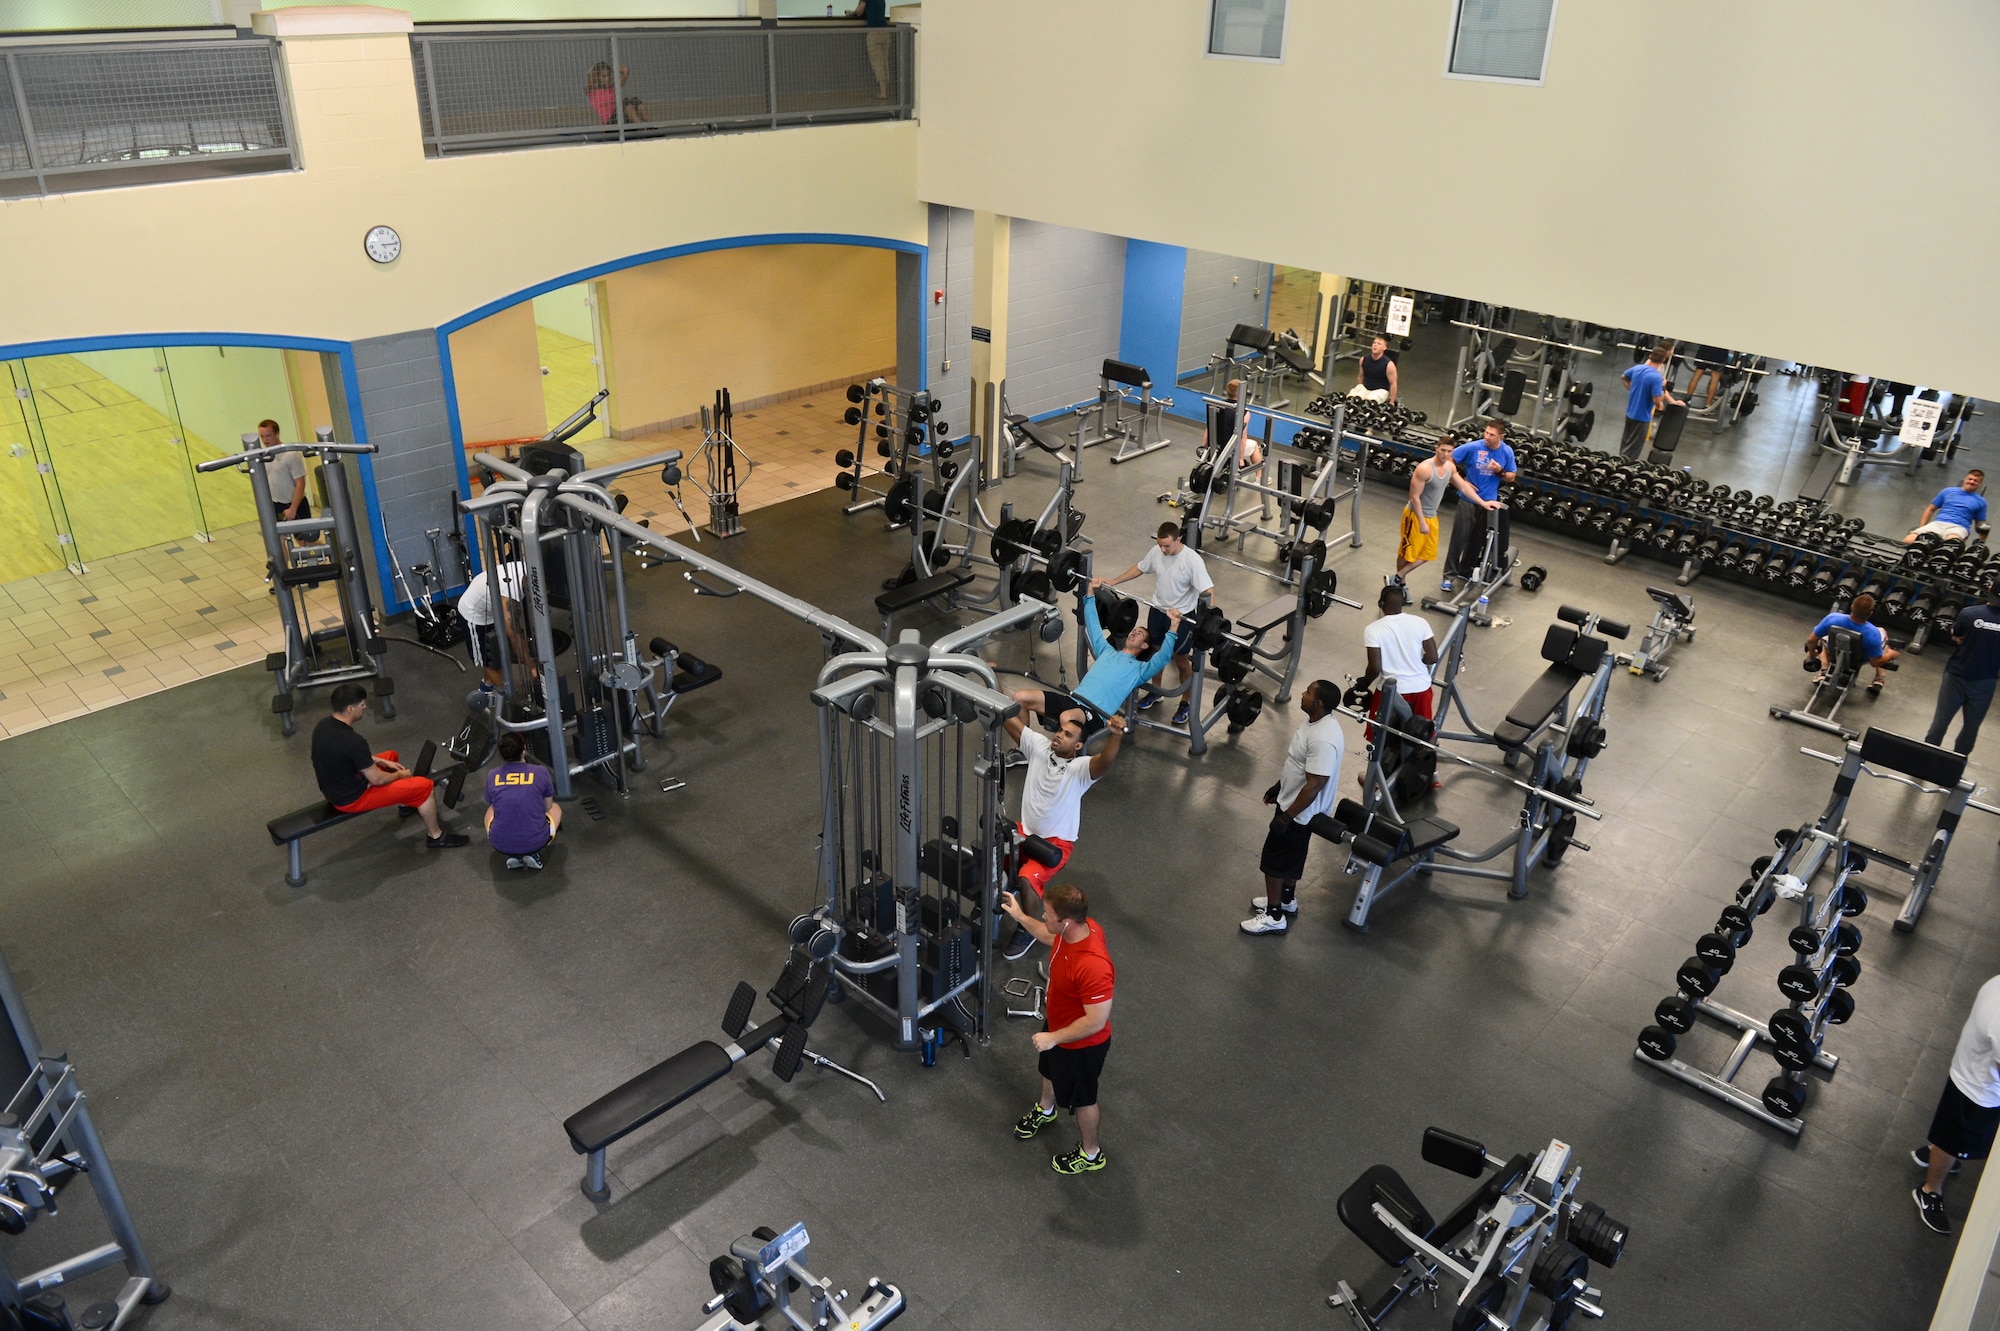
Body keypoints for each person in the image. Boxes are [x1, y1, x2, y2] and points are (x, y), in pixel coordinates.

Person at [1000, 881, 1114, 1175]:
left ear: (1066, 922)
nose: (1044, 918)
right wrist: (1019, 917)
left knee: (1084, 1099)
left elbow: (1096, 1021)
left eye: (1048, 914)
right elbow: (1047, 936)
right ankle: (1046, 1109)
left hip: (1081, 1043)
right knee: (1048, 1071)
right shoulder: (1068, 933)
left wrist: (1054, 1038)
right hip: (1059, 1025)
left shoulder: (1093, 966)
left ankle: (1091, 1154)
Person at [997, 711, 1126, 959]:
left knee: (1026, 878)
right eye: (1059, 730)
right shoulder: (1039, 747)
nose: (1059, 735)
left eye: (1067, 735)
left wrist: (1116, 736)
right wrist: (989, 681)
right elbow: (1006, 716)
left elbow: (1105, 762)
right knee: (994, 854)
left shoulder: (1079, 769)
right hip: (1025, 831)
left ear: (1078, 745)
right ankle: (999, 895)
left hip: (1056, 843)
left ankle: (1026, 928)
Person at [1242, 679, 1343, 934]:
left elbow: (1316, 783)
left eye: (1308, 693)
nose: (1303, 694)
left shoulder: (1323, 738)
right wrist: (1279, 787)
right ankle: (1286, 901)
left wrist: (1287, 817)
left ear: (1318, 703)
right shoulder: (1316, 723)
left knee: (1274, 862)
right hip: (1294, 806)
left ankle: (1274, 915)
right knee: (1291, 859)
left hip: (1300, 813)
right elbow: (1300, 766)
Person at [310, 683, 467, 848]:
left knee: (391, 756)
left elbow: (342, 754)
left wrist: (379, 760)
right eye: (362, 705)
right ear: (350, 708)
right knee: (425, 786)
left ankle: (407, 803)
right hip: (350, 798)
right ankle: (436, 836)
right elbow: (377, 779)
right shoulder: (354, 742)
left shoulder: (324, 725)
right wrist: (401, 775)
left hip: (334, 786)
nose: (365, 707)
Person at [1091, 523, 1213, 725]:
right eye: (1160, 545)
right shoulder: (1157, 552)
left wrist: (1208, 621)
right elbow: (1140, 568)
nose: (1163, 550)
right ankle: (1157, 692)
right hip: (1158, 612)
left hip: (1181, 618)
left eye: (1167, 546)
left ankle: (1186, 701)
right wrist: (1114, 581)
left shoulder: (1192, 560)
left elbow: (1208, 590)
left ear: (1178, 539)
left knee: (1180, 660)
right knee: (1156, 654)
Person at [1012, 593, 1179, 738]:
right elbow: (1093, 626)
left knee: (1066, 718)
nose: (1133, 632)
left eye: (1139, 633)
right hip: (1073, 699)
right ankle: (1024, 749)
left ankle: (1061, 761)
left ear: (1144, 646)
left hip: (1094, 714)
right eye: (1134, 630)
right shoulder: (1106, 651)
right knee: (1020, 698)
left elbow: (1163, 657)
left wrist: (1174, 626)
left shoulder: (1140, 670)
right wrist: (1090, 595)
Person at [1913, 974, 2000, 1235]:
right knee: (1954, 1143)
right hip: (1976, 1089)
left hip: (1973, 1074)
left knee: (1952, 1137)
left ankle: (1936, 1152)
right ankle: (1929, 1192)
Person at [1925, 585, 2000, 755]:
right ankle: (1956, 765)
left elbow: (1956, 634)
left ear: (1989, 589)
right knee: (1971, 727)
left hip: (1957, 675)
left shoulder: (1969, 613)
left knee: (1941, 721)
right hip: (1985, 680)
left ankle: (1926, 757)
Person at [1398, 435, 1483, 582]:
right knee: (1407, 553)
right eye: (1442, 450)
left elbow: (1463, 486)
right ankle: (1400, 582)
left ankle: (1398, 577)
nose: (1445, 454)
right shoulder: (1424, 469)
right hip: (1415, 515)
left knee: (1428, 553)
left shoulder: (1450, 467)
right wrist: (1421, 521)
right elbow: (1414, 497)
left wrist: (1483, 503)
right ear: (1436, 448)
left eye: (1449, 451)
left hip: (1432, 515)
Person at [1442, 420, 1513, 592]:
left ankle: (1465, 571)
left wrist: (1500, 472)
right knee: (1459, 539)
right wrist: (1460, 480)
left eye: (1492, 435)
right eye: (1486, 433)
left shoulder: (1506, 451)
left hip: (1489, 503)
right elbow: (1448, 460)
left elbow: (1511, 476)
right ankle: (1448, 577)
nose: (1487, 437)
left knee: (1477, 541)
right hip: (1468, 500)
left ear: (1501, 437)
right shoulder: (1473, 447)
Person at [1358, 583, 1438, 737]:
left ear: (1380, 604)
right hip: (1421, 689)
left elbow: (1375, 667)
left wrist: (1364, 683)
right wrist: (1418, 661)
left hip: (1392, 694)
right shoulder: (1420, 622)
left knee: (1381, 739)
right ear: (1403, 603)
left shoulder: (1373, 629)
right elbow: (1432, 657)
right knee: (1422, 736)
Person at [484, 732, 561, 871]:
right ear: (523, 750)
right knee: (555, 808)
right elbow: (547, 806)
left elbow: (494, 803)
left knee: (491, 808)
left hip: (499, 843)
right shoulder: (540, 771)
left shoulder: (492, 775)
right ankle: (533, 853)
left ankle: (511, 855)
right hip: (536, 841)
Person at [1806, 593, 1899, 693]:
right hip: (1859, 658)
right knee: (1883, 634)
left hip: (1834, 651)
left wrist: (1811, 655)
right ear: (1870, 613)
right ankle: (1879, 678)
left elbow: (1811, 640)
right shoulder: (1873, 633)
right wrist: (1891, 655)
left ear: (1852, 606)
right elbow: (1875, 662)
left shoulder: (1832, 618)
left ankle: (1824, 670)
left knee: (1821, 638)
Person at [458, 558, 528, 691]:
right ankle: (508, 698)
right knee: (490, 661)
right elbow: (515, 638)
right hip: (474, 616)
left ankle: (486, 687)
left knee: (497, 654)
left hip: (492, 608)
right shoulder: (508, 594)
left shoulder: (529, 569)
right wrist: (532, 666)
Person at [1619, 345, 1683, 460]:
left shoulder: (1638, 368)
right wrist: (1663, 387)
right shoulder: (1656, 378)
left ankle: (1617, 465)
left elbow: (1623, 377)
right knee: (1632, 451)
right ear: (1663, 360)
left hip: (1630, 414)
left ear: (1650, 356)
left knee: (1625, 445)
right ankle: (1622, 471)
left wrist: (1633, 389)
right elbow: (1657, 400)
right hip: (1642, 418)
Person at [1904, 471, 1989, 545]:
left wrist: (1981, 541)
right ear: (1965, 479)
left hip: (1959, 527)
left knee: (1950, 545)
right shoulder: (1948, 491)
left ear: (1980, 484)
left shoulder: (1981, 501)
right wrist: (1921, 527)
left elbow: (1980, 524)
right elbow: (1930, 509)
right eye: (1970, 479)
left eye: (1975, 481)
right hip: (1938, 523)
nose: (1972, 482)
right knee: (1908, 540)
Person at [257, 419, 309, 527]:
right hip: (276, 505)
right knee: (278, 541)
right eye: (262, 436)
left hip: (296, 505)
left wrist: (293, 508)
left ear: (277, 433)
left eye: (268, 435)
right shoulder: (264, 456)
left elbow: (300, 484)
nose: (265, 440)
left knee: (305, 541)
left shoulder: (291, 455)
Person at [849, 0, 893, 100]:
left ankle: (883, 92)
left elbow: (859, 12)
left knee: (877, 63)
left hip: (874, 33)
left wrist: (856, 7)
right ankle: (885, 89)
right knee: (884, 62)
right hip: (886, 32)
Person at [1349, 335, 1399, 405]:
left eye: (1379, 344)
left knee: (1369, 403)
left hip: (1380, 391)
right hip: (1365, 388)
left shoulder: (1389, 365)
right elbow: (1360, 376)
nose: (1375, 345)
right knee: (1351, 399)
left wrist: (1391, 401)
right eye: (1374, 343)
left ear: (1384, 348)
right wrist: (1360, 389)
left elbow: (1393, 384)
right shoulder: (1363, 359)